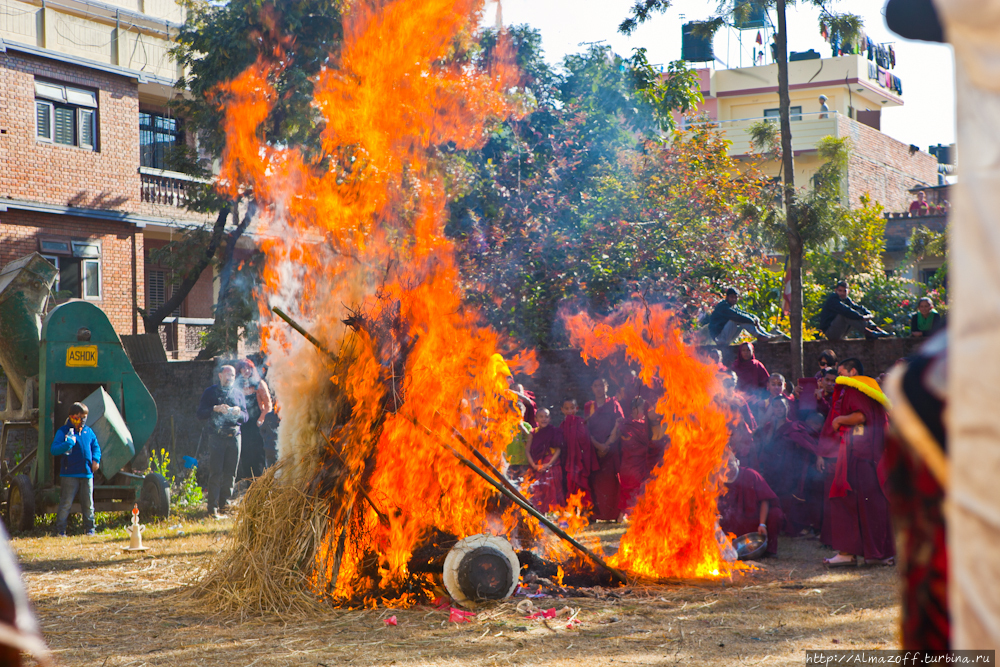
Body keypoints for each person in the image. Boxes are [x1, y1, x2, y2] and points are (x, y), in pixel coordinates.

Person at [823, 358, 895, 567]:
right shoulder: (869, 388)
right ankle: (878, 554)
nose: (838, 377)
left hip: (859, 457)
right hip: (870, 455)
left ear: (853, 372)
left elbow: (860, 416)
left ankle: (850, 553)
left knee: (846, 499)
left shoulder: (855, 389)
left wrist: (839, 421)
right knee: (873, 505)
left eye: (841, 371)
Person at [197, 365, 248, 519]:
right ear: (220, 375)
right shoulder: (210, 392)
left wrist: (239, 413)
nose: (230, 377)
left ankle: (225, 507)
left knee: (230, 474)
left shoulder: (238, 393)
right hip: (217, 438)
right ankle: (212, 509)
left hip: (234, 437)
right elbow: (200, 413)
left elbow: (246, 417)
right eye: (227, 374)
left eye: (232, 374)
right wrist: (214, 408)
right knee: (215, 473)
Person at [51, 402, 101, 536]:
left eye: (85, 416)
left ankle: (90, 529)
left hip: (87, 474)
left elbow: (96, 446)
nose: (83, 419)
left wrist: (96, 460)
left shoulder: (88, 431)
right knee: (66, 504)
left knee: (88, 505)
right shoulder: (63, 431)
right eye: (80, 416)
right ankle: (60, 531)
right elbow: (54, 450)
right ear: (72, 416)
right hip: (69, 474)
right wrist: (67, 444)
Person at [718, 454, 783, 556]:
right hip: (732, 523)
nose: (728, 469)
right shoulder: (716, 480)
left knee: (776, 514)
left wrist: (762, 524)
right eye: (723, 466)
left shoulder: (750, 475)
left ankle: (769, 550)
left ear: (737, 461)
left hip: (755, 521)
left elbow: (765, 499)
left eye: (730, 464)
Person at [584, 378, 624, 522]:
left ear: (606, 387)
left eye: (602, 385)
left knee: (612, 482)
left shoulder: (614, 404)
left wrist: (607, 444)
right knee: (595, 481)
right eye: (596, 385)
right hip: (594, 450)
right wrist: (598, 445)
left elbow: (620, 424)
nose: (599, 388)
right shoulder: (589, 406)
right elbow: (586, 429)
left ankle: (613, 514)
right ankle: (597, 514)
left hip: (611, 449)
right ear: (592, 388)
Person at [235, 359, 273, 480]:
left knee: (258, 456)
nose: (246, 371)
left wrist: (261, 419)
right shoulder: (237, 386)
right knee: (245, 456)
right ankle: (249, 488)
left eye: (248, 368)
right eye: (243, 368)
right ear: (239, 370)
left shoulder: (259, 384)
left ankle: (260, 486)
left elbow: (268, 406)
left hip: (257, 426)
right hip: (243, 426)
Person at [617, 396, 654, 519]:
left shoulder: (645, 425)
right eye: (642, 409)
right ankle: (626, 515)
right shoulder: (626, 425)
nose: (645, 412)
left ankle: (633, 515)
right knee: (630, 491)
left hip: (640, 464)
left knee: (639, 490)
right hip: (630, 463)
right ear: (633, 409)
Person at [708, 288, 783, 345]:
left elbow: (743, 313)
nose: (734, 299)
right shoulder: (723, 307)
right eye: (731, 297)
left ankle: (765, 335)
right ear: (727, 297)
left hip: (726, 337)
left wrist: (754, 317)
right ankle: (760, 336)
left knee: (744, 319)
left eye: (735, 297)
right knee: (738, 319)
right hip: (719, 338)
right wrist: (751, 320)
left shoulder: (733, 306)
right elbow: (737, 316)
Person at [819, 282, 890, 340]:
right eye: (840, 291)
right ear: (836, 291)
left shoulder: (847, 300)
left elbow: (858, 307)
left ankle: (877, 330)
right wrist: (861, 317)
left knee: (856, 312)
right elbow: (845, 310)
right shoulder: (833, 299)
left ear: (848, 291)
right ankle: (869, 333)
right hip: (831, 332)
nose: (842, 293)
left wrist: (868, 314)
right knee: (845, 314)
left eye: (844, 291)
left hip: (842, 331)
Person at [526, 408, 565, 513]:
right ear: (536, 419)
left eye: (546, 416)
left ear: (550, 418)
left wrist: (548, 464)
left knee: (553, 490)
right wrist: (534, 466)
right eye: (541, 416)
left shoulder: (554, 431)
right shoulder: (533, 433)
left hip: (552, 465)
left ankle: (555, 513)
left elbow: (558, 450)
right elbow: (527, 451)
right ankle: (540, 514)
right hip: (537, 465)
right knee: (539, 490)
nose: (544, 419)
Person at [560, 398, 595, 507]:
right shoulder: (562, 424)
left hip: (579, 460)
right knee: (570, 483)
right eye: (567, 409)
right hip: (569, 461)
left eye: (572, 408)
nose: (569, 411)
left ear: (577, 408)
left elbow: (585, 440)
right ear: (562, 410)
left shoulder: (580, 421)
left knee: (582, 483)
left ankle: (585, 510)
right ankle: (572, 509)